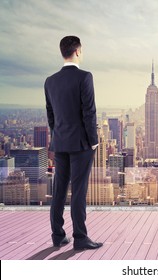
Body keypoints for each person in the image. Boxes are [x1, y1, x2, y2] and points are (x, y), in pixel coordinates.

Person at [44, 35, 102, 251]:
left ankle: (58, 235)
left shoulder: (50, 81)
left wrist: (57, 135)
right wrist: (93, 141)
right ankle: (80, 237)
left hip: (60, 143)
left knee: (59, 189)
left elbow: (50, 115)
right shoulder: (85, 77)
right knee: (78, 190)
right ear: (78, 51)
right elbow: (89, 112)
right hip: (80, 144)